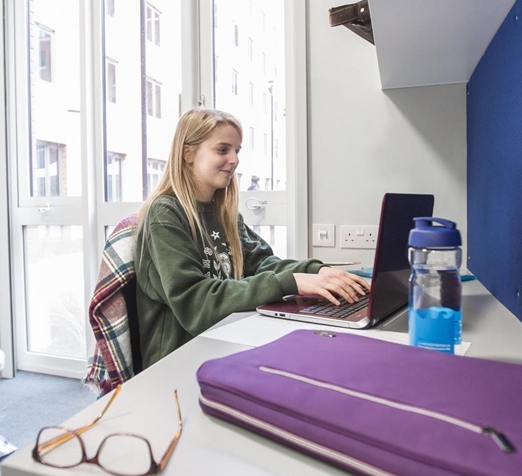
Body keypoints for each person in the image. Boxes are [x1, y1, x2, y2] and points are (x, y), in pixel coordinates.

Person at [135, 108, 369, 368]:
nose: (234, 160)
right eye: (223, 150)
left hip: (223, 341)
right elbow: (195, 304)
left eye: (237, 150)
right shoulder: (165, 214)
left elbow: (262, 263)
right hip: (178, 362)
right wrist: (291, 282)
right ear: (187, 153)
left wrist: (315, 271)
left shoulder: (224, 215)